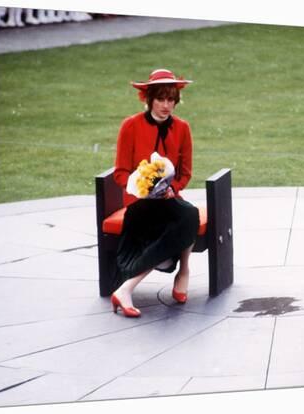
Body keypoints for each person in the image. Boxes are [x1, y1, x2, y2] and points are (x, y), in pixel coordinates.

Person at [110, 68, 199, 318]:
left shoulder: (182, 128)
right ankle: (131, 287)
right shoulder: (130, 125)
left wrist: (173, 188)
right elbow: (120, 172)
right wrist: (141, 187)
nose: (166, 105)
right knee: (183, 218)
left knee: (188, 214)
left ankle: (184, 271)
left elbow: (185, 173)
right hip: (140, 204)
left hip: (169, 200)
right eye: (161, 99)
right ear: (148, 99)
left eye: (171, 99)